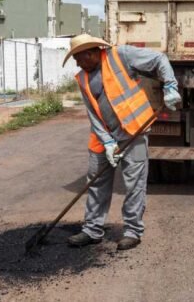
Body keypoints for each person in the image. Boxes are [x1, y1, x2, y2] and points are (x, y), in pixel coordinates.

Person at [62, 34, 181, 250]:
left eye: (78, 58)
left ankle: (132, 231)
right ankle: (92, 230)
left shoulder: (121, 55)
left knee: (134, 184)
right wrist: (107, 142)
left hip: (133, 131)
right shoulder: (82, 78)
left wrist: (170, 86)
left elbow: (159, 60)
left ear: (89, 53)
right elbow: (93, 115)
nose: (77, 63)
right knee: (96, 183)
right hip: (103, 137)